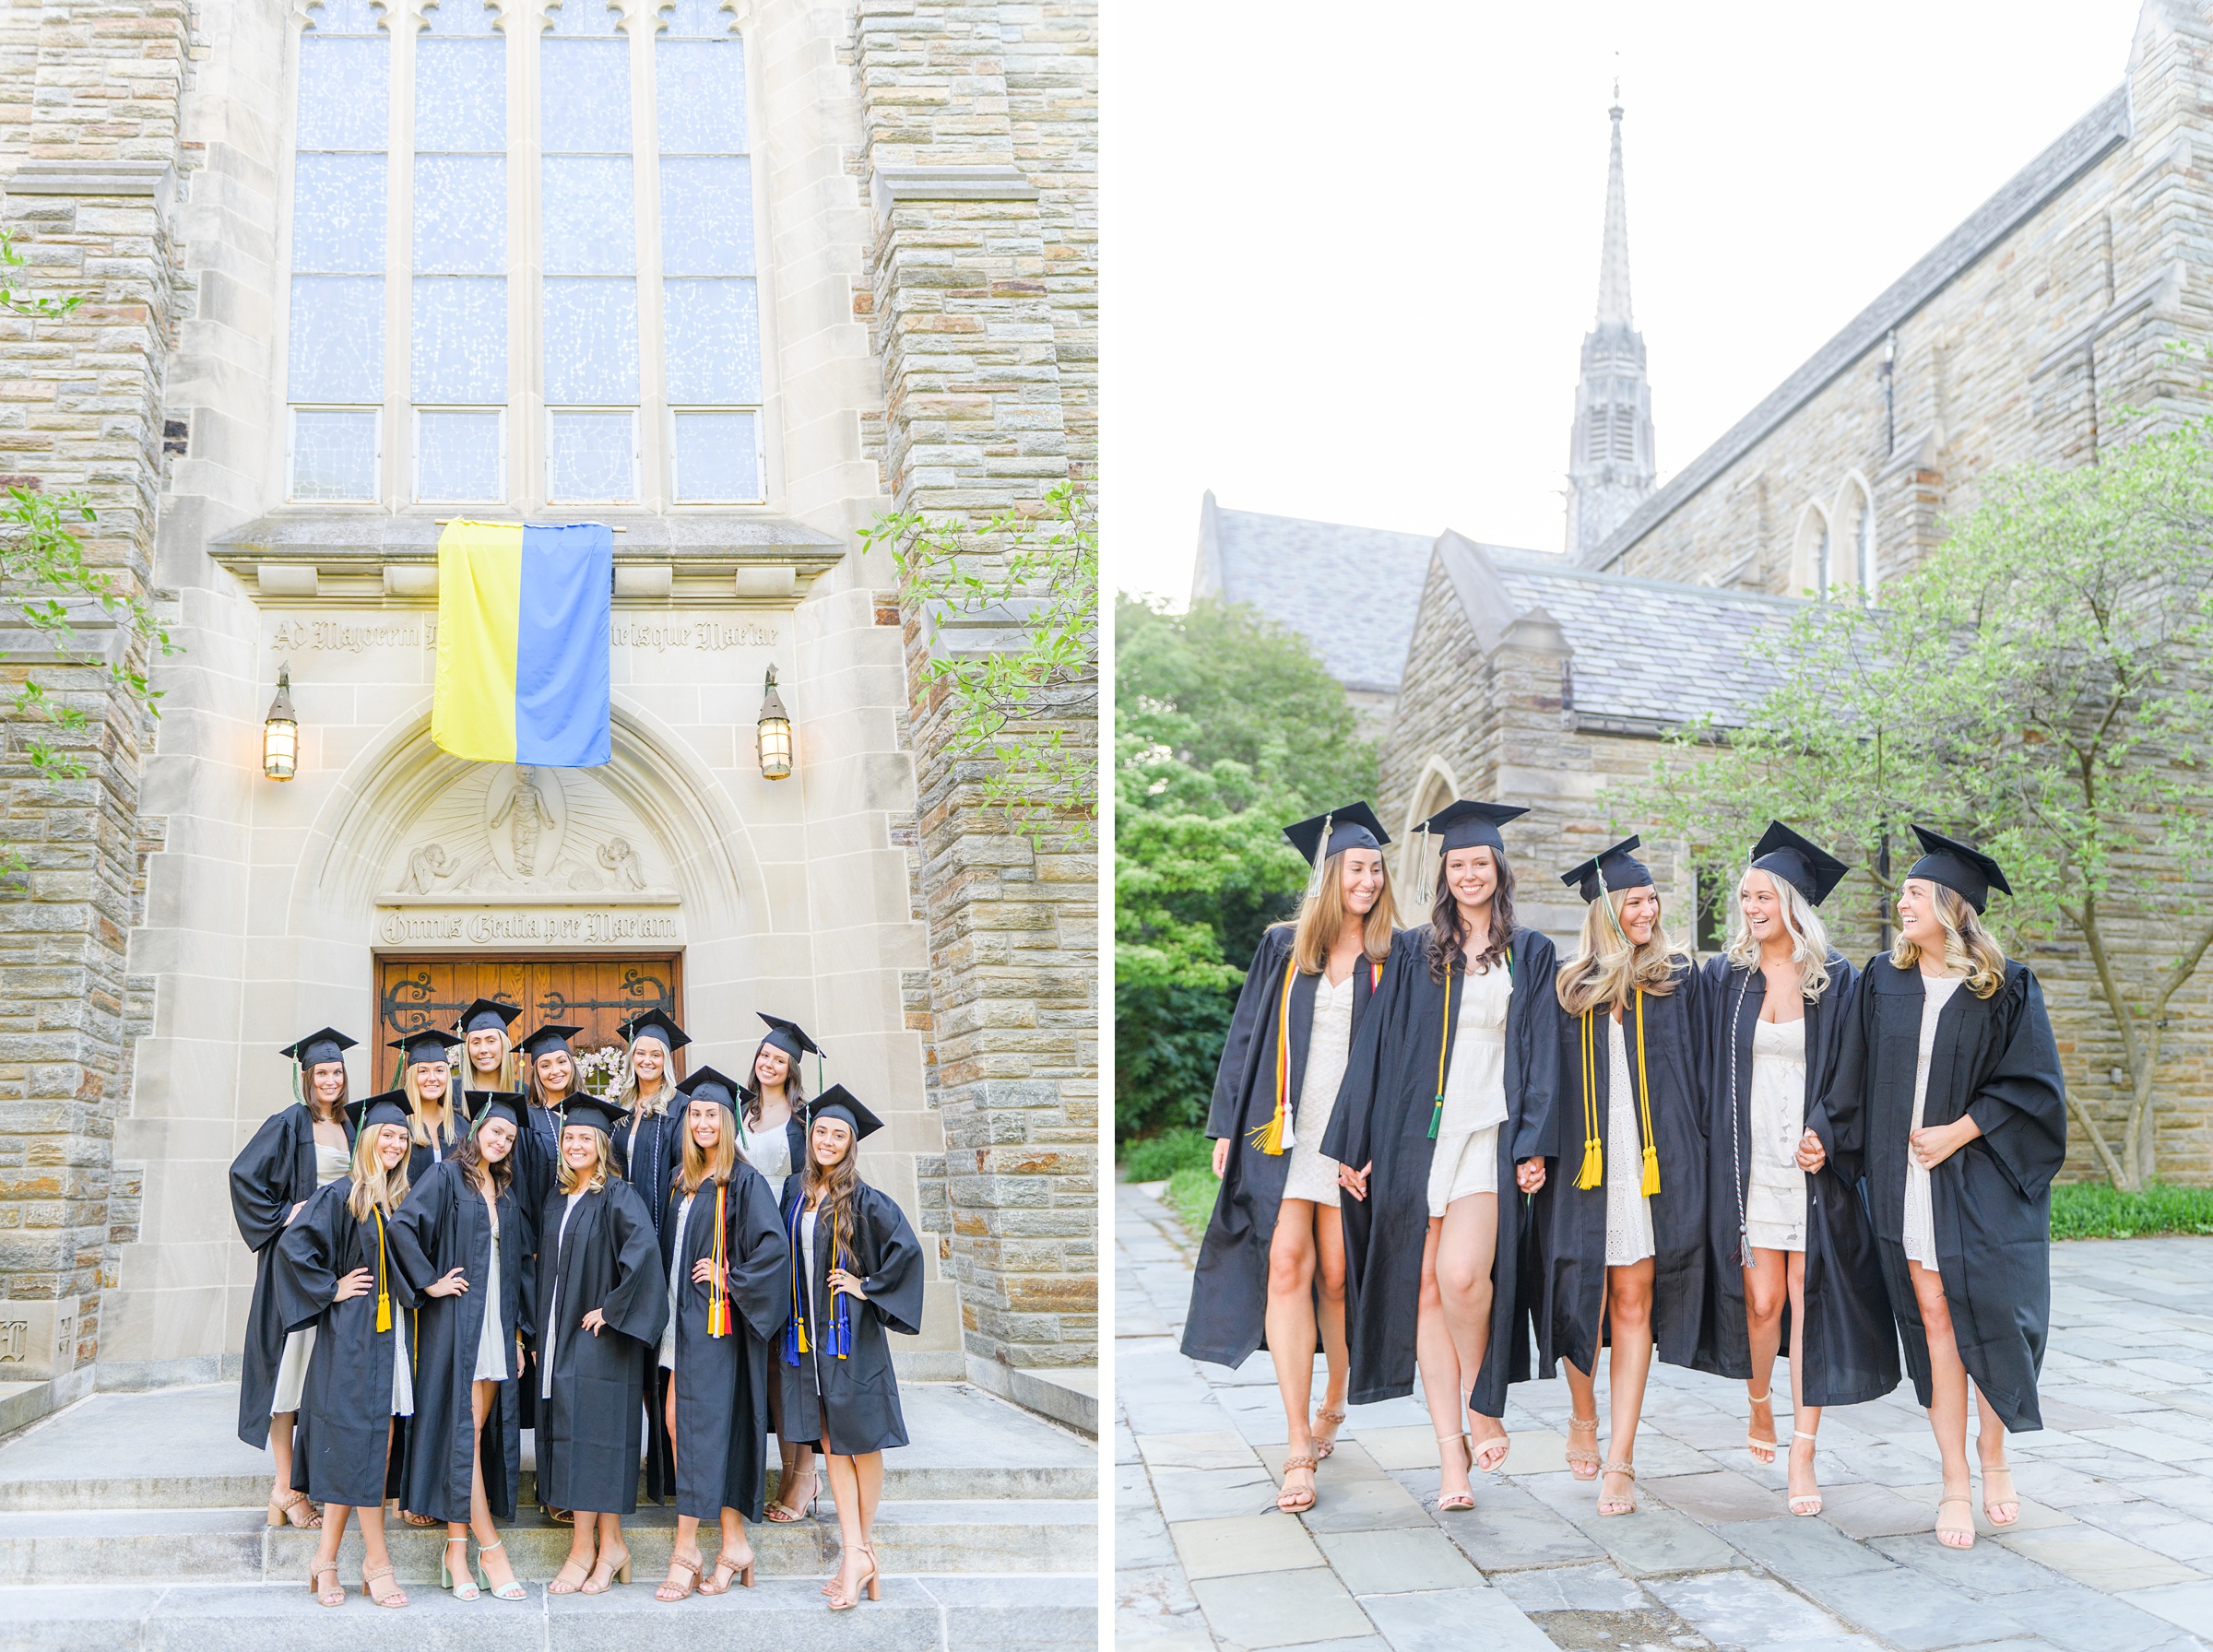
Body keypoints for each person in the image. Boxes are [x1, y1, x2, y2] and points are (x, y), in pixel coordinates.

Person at [1805, 826, 2065, 1551]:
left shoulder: (2006, 986)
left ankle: (1994, 1452)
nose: (1903, 901)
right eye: (1903, 892)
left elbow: (2034, 1088)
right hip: (1902, 1181)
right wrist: (1825, 1130)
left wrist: (1958, 1131)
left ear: (1952, 906)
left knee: (1987, 1311)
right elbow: (1849, 1075)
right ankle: (1954, 1480)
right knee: (1934, 1322)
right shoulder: (1882, 980)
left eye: (1915, 892)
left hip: (1979, 1181)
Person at [1326, 800, 1557, 1514]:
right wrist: (1351, 1145)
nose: (1468, 874)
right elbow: (1374, 1049)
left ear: (1498, 870)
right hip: (1413, 1136)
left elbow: (1544, 1049)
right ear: (1444, 873)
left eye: (1479, 863)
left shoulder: (1533, 950)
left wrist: (1535, 1140)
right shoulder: (1415, 949)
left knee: (1462, 1277)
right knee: (1423, 1288)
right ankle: (1450, 1454)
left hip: (1489, 1131)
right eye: (1457, 865)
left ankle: (1484, 1398)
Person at [1183, 803, 1397, 1516]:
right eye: (1354, 869)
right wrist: (1223, 1126)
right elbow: (1246, 1034)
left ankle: (1337, 1394)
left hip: (1352, 1137)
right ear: (1329, 877)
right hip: (1282, 1131)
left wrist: (1376, 1143)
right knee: (1285, 1265)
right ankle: (1297, 1442)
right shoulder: (1285, 946)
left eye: (1374, 869)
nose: (1365, 880)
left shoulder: (1393, 954)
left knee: (1337, 1277)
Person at [1692, 824, 1898, 1518]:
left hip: (1808, 1168)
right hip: (1748, 1163)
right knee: (1761, 1303)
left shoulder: (1838, 981)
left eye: (1761, 895)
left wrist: (1827, 1134)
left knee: (1808, 1302)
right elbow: (1703, 1070)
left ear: (1792, 901)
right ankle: (1759, 1405)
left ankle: (1803, 1452)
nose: (1749, 906)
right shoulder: (1729, 978)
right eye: (1744, 895)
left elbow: (1853, 1075)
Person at [1544, 835, 1710, 1517]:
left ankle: (1622, 1457)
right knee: (1579, 1294)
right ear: (1605, 911)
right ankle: (1583, 1413)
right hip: (1583, 1165)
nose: (1647, 910)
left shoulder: (1677, 980)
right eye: (1633, 900)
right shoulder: (1565, 989)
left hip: (1648, 1165)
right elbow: (1540, 1083)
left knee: (1634, 1300)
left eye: (1651, 899)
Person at [778, 1086, 924, 1611]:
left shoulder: (864, 1200)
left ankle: (857, 1552)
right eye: (821, 1132)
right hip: (807, 1337)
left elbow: (905, 1252)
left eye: (839, 1135)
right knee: (832, 1441)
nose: (828, 1141)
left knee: (862, 1441)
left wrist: (868, 1287)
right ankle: (858, 1554)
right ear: (810, 1135)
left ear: (850, 1144)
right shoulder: (796, 1195)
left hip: (849, 1336)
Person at [274, 1089, 420, 1610]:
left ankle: (326, 1560)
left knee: (372, 1447)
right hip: (354, 1338)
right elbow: (293, 1248)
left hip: (391, 1338)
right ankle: (374, 1562)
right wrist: (332, 1288)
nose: (396, 1144)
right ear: (368, 1140)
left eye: (403, 1137)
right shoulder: (343, 1194)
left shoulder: (396, 1198)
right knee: (360, 1446)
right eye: (388, 1135)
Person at [649, 1066, 791, 1601]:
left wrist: (731, 1279)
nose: (703, 1122)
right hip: (680, 1323)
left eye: (712, 1114)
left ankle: (688, 1549)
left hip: (716, 1324)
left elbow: (773, 1253)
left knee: (699, 1427)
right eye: (696, 1115)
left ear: (727, 1123)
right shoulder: (683, 1180)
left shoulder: (745, 1181)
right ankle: (732, 1541)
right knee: (678, 1422)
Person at [388, 1089, 533, 1602]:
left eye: (510, 1137)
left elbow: (514, 1268)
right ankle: (488, 1549)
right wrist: (429, 1282)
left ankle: (455, 1547)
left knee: (468, 1435)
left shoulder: (506, 1192)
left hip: (495, 1322)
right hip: (457, 1322)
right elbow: (402, 1226)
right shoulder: (447, 1176)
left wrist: (517, 1334)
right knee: (464, 1434)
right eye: (496, 1131)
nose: (502, 1141)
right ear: (476, 1132)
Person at [537, 1091, 669, 1594]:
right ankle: (609, 1547)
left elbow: (642, 1253)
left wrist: (612, 1310)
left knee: (594, 1441)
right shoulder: (557, 1199)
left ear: (600, 1144)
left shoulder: (617, 1194)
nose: (574, 1144)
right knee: (584, 1438)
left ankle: (583, 1550)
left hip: (600, 1337)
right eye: (568, 1137)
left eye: (583, 1137)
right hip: (559, 1334)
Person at [231, 1027, 357, 1530]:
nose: (330, 1080)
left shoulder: (355, 1123)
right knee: (290, 1372)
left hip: (339, 1259)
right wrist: (285, 1215)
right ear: (306, 1079)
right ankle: (284, 1486)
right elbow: (244, 1175)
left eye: (336, 1072)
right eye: (321, 1073)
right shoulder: (288, 1123)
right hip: (296, 1263)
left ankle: (310, 1479)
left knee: (321, 1376)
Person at [740, 1011, 822, 1525]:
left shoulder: (804, 1121)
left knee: (794, 1358)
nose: (769, 1063)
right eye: (764, 1055)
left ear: (791, 1069)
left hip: (790, 1244)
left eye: (779, 1059)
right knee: (767, 1359)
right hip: (748, 1243)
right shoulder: (740, 1113)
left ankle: (805, 1475)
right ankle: (787, 1468)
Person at [614, 1008, 689, 1251]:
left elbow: (684, 1165)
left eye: (655, 1055)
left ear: (665, 1061)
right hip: (620, 1214)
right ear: (632, 1057)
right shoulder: (620, 1107)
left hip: (662, 1214)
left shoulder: (680, 1106)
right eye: (641, 1053)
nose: (647, 1061)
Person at [390, 1026, 465, 1185]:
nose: (432, 1078)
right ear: (411, 1076)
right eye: (423, 1071)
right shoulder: (398, 1124)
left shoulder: (461, 1126)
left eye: (439, 1070)